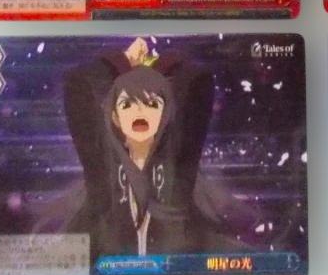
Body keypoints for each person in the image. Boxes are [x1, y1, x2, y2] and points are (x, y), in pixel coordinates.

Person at [62, 38, 214, 260]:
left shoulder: (177, 169)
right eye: (128, 104)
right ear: (115, 116)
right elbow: (78, 84)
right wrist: (121, 62)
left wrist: (159, 68)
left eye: (151, 104)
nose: (140, 112)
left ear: (166, 115)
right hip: (107, 267)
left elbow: (198, 84)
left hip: (174, 269)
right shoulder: (102, 171)